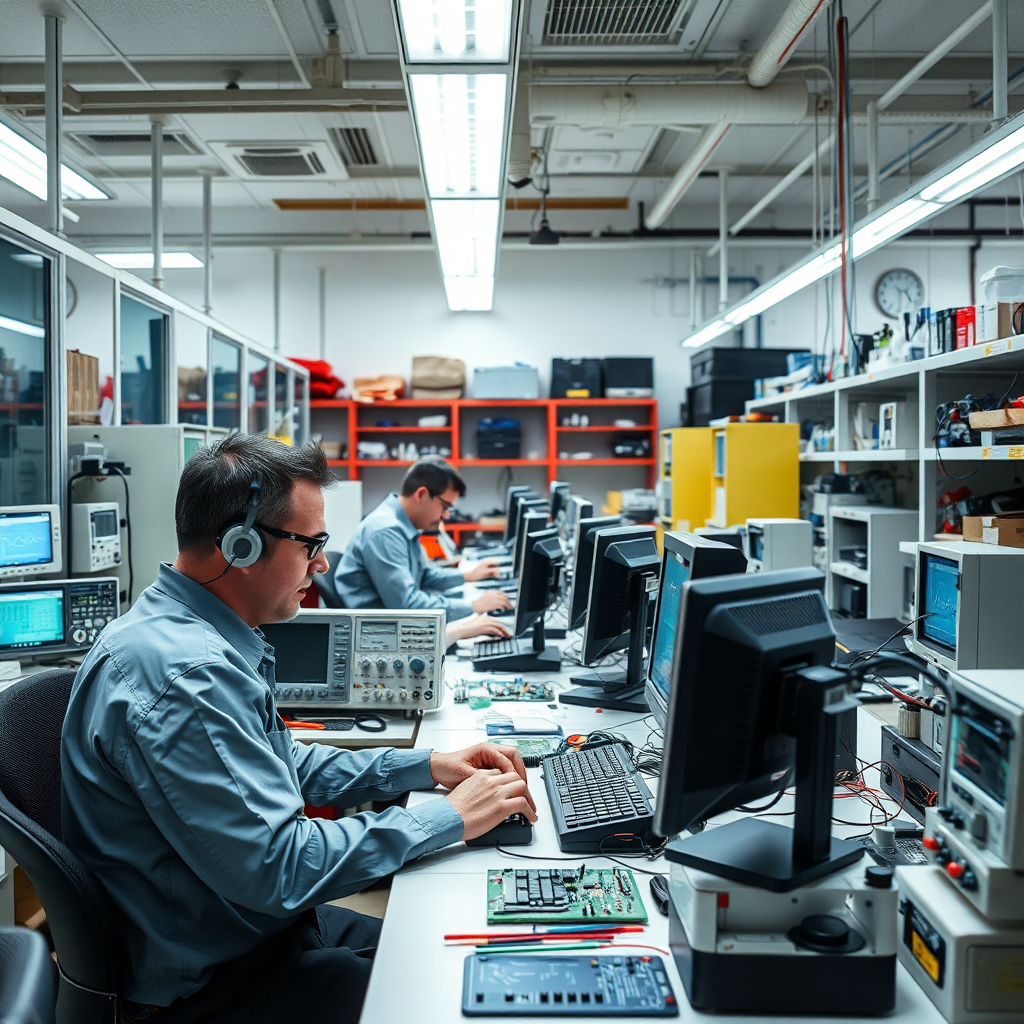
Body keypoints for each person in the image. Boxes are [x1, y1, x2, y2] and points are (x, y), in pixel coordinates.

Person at [60, 434, 537, 1024]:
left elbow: (286, 761)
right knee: (455, 998)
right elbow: (280, 867)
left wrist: (427, 766)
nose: (323, 565)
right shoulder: (187, 676)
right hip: (213, 985)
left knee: (461, 953)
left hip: (251, 930)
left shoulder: (195, 633)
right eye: (310, 544)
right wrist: (450, 816)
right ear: (237, 545)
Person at [336, 456, 512, 620]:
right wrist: (473, 606)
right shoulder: (385, 532)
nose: (446, 516)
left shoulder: (404, 524)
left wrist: (467, 576)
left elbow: (423, 575)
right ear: (420, 494)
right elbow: (407, 606)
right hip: (376, 633)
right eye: (445, 506)